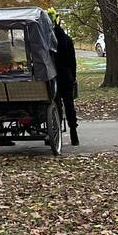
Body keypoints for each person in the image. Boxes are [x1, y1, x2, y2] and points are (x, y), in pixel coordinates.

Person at [48, 9, 79, 145]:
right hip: (66, 75)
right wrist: (73, 76)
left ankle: (57, 132)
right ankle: (73, 132)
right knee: (69, 103)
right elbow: (73, 61)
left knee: (56, 104)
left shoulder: (48, 41)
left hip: (53, 75)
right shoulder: (67, 39)